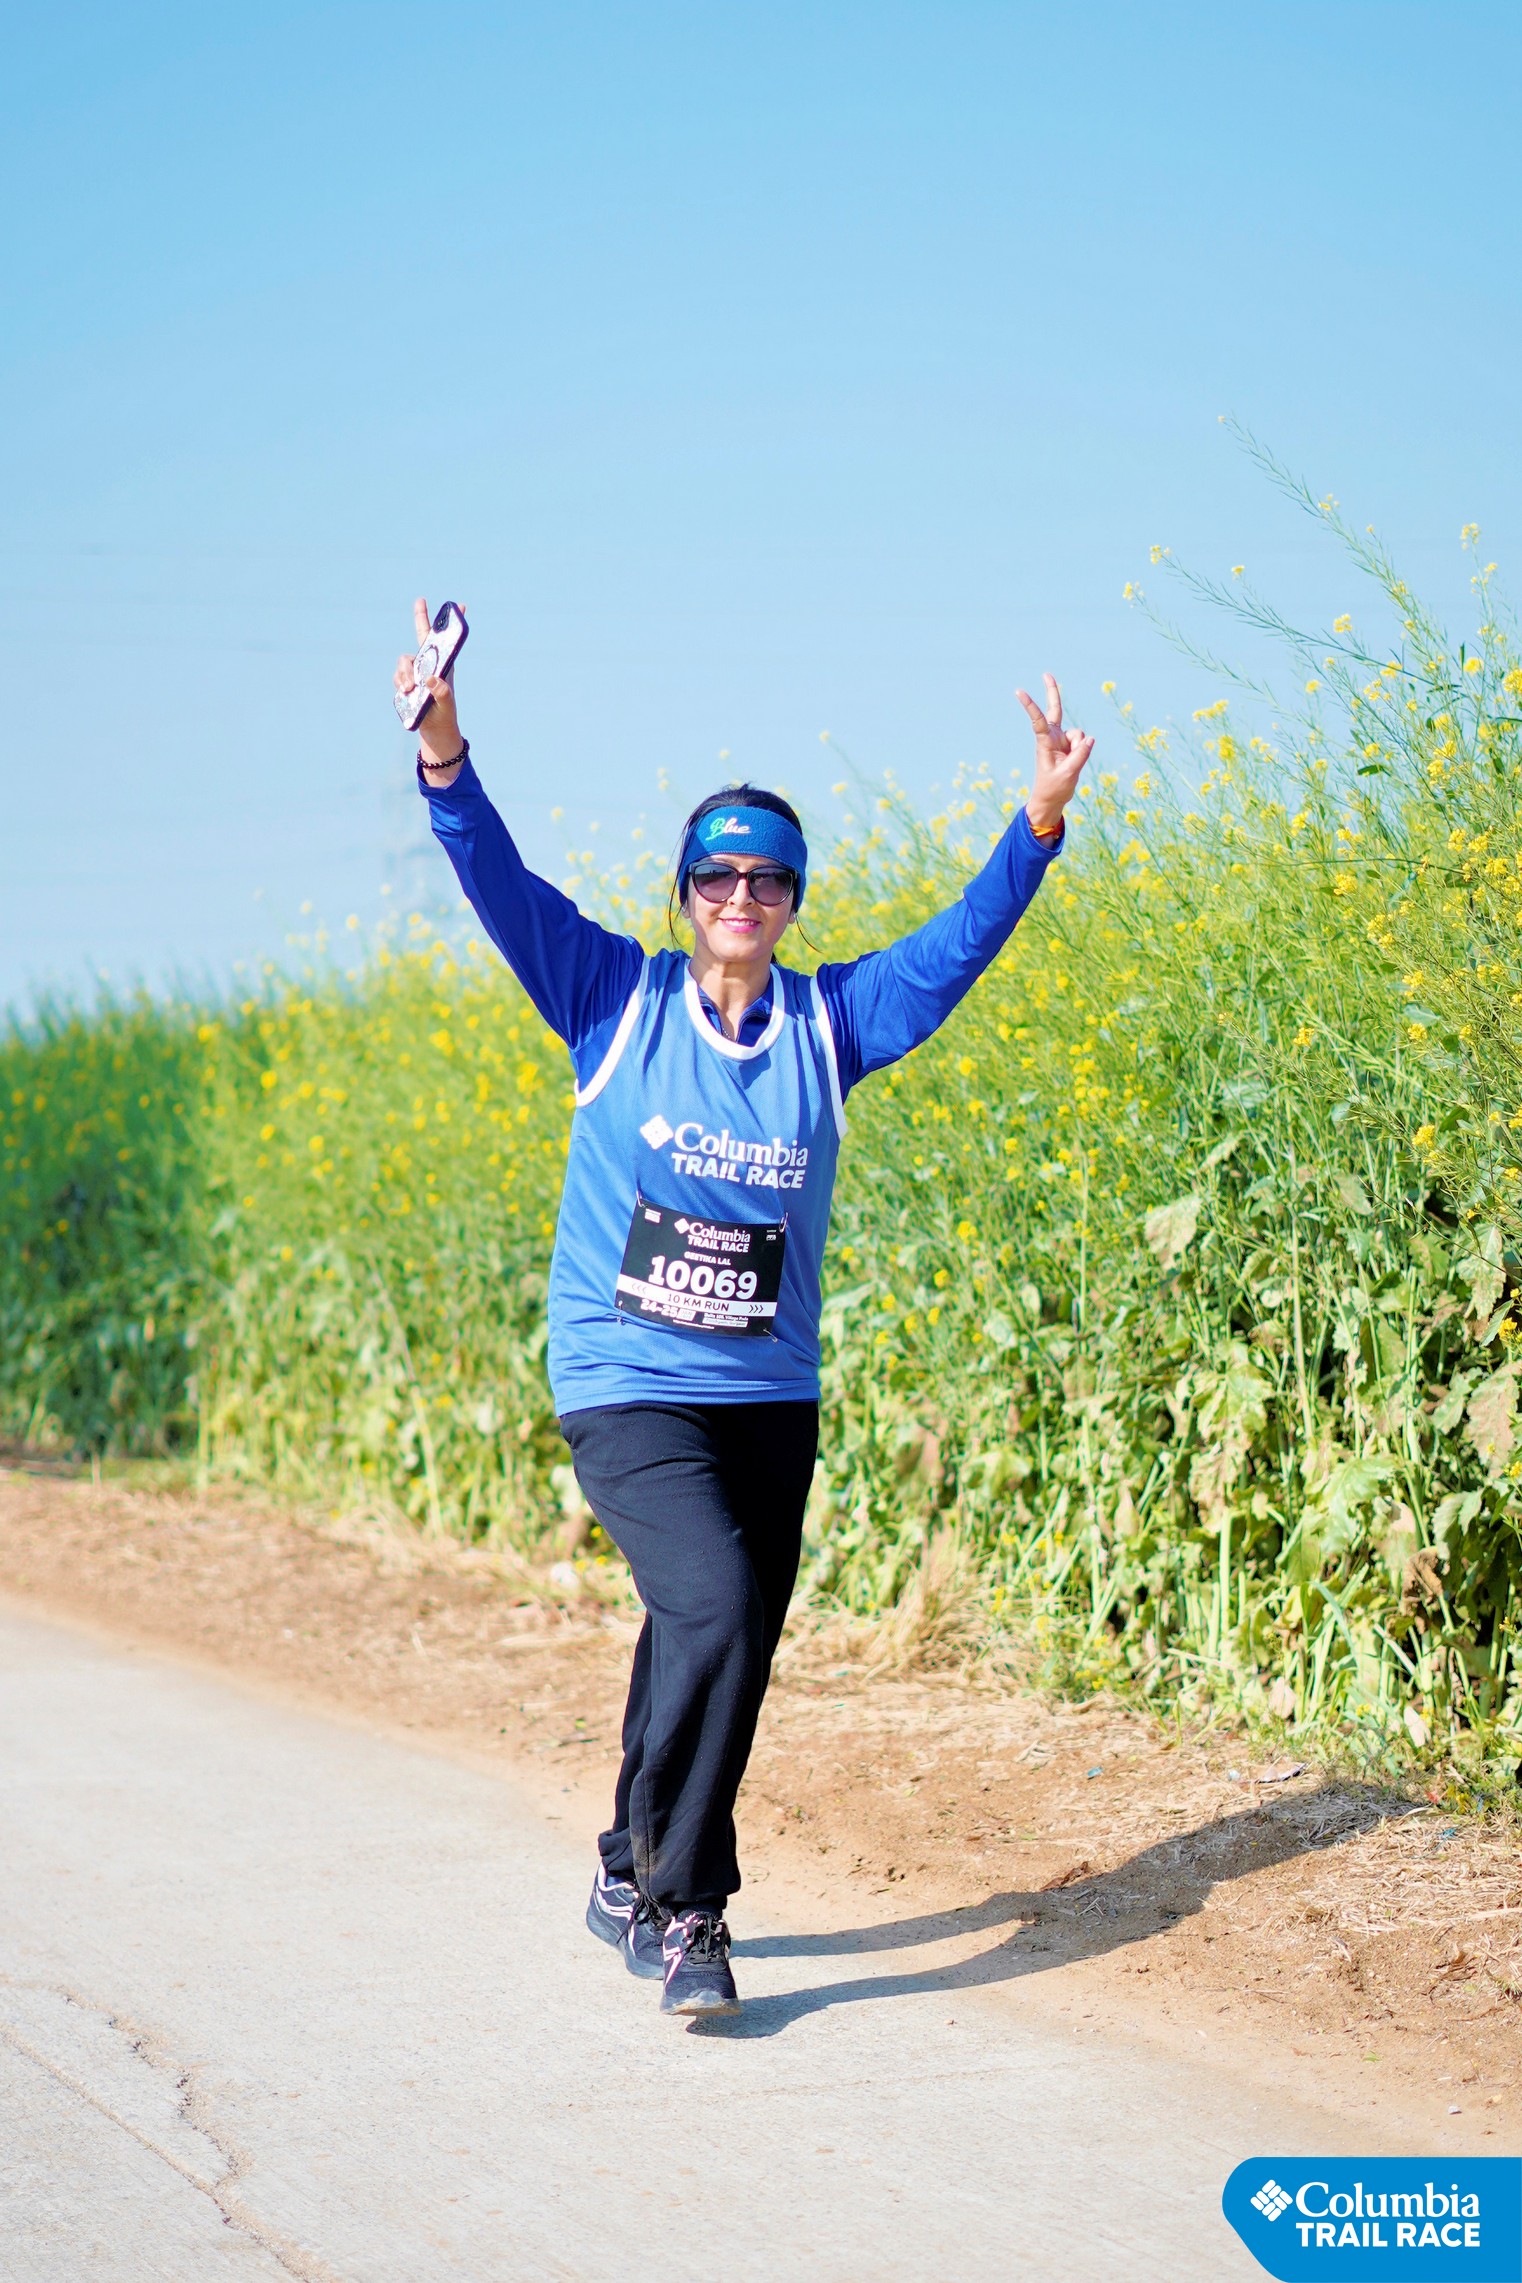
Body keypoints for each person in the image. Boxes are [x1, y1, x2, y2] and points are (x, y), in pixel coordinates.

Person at [396, 599, 1091, 2017]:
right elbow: (496, 879)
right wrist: (445, 751)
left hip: (768, 1394)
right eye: (716, 875)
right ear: (683, 893)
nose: (741, 895)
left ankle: (622, 1863)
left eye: (768, 878)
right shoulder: (612, 998)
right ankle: (688, 1910)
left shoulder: (830, 1025)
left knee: (712, 1637)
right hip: (626, 1380)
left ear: (792, 900)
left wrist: (1034, 824)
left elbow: (952, 951)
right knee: (709, 1601)